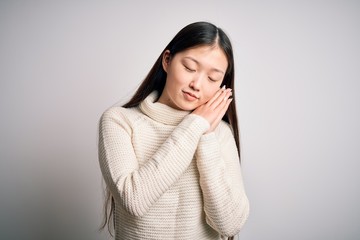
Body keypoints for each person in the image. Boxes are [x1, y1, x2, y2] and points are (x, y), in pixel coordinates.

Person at [98, 21, 249, 240]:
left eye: (212, 78)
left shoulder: (220, 134)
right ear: (167, 60)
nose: (197, 84)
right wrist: (196, 125)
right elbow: (134, 200)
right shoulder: (119, 121)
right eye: (189, 68)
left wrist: (206, 137)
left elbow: (230, 225)